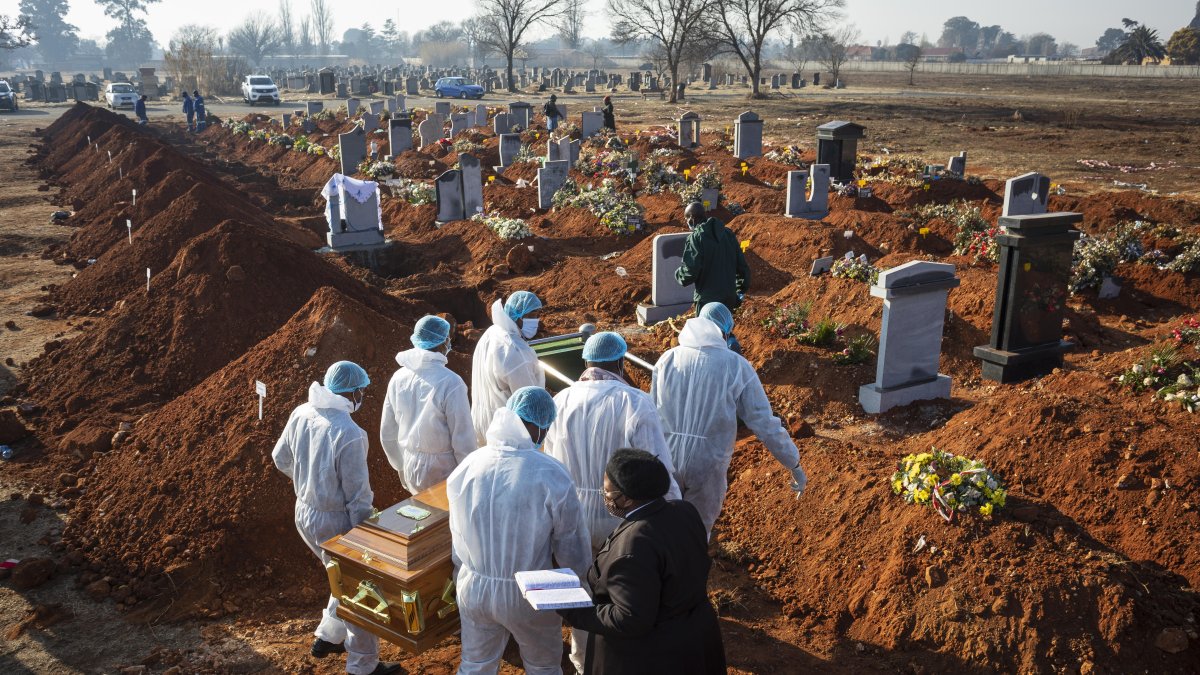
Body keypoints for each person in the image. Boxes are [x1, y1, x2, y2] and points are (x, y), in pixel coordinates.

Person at [542, 331, 682, 674]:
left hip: (570, 519)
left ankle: (582, 661)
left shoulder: (560, 401)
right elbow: (657, 469)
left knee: (581, 592)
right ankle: (620, 658)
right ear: (620, 362)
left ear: (586, 363)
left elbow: (547, 462)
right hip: (619, 517)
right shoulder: (634, 402)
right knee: (624, 592)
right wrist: (676, 513)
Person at [448, 387, 592, 675]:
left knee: (475, 665)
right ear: (539, 426)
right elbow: (571, 545)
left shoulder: (468, 466)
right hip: (530, 590)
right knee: (543, 666)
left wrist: (459, 575)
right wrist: (583, 587)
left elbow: (457, 534)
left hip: (473, 586)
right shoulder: (550, 473)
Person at [272, 361, 401, 675]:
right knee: (362, 591)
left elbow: (280, 458)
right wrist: (368, 539)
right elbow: (358, 498)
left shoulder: (302, 412)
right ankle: (363, 666)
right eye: (362, 391)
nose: (363, 396)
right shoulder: (350, 434)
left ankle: (328, 636)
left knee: (339, 577)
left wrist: (309, 484)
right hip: (335, 522)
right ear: (354, 391)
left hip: (303, 512)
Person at [559, 449, 726, 675]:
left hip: (652, 655)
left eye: (608, 493)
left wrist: (573, 611)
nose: (605, 497)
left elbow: (630, 618)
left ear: (626, 498)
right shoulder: (684, 511)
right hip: (695, 639)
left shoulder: (633, 547)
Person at [651, 306, 807, 537]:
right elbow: (763, 422)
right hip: (708, 463)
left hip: (667, 457)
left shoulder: (668, 359)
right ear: (724, 332)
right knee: (695, 535)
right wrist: (793, 462)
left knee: (662, 531)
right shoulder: (735, 365)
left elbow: (653, 412)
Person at [380, 315, 476, 494]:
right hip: (444, 469)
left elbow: (387, 432)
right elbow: (463, 439)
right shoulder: (451, 382)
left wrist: (401, 465)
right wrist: (469, 478)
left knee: (423, 517)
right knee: (446, 518)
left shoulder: (398, 378)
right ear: (442, 341)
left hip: (410, 464)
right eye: (448, 338)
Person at [470, 291, 545, 445]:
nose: (536, 321)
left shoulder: (492, 333)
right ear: (517, 316)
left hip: (483, 423)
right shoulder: (515, 351)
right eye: (531, 316)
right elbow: (529, 400)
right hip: (507, 434)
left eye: (537, 315)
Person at [675, 201, 751, 312]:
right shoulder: (728, 234)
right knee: (724, 328)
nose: (687, 223)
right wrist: (740, 290)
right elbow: (742, 267)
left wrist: (679, 274)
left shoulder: (696, 238)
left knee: (707, 329)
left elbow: (691, 271)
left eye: (687, 219)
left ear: (692, 219)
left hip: (707, 301)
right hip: (728, 298)